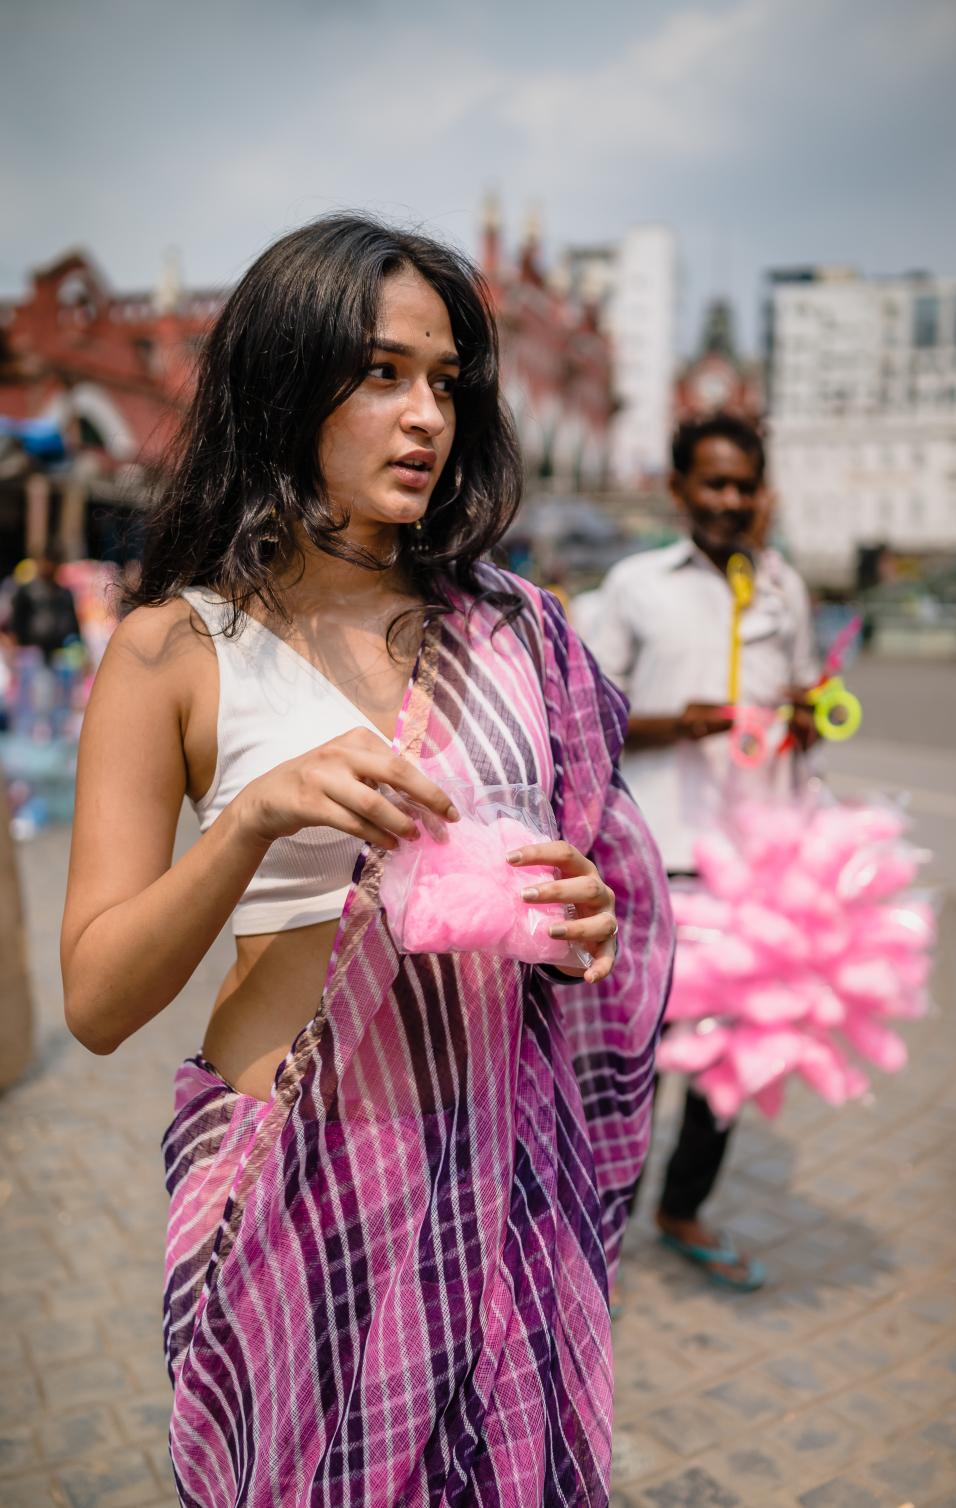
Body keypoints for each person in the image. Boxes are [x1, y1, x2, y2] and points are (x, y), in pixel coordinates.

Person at [61, 215, 672, 1507]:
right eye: (383, 372)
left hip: (501, 1174)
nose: (426, 418)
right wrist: (253, 819)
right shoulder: (175, 649)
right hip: (293, 1190)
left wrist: (590, 918)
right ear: (286, 384)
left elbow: (605, 888)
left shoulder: (519, 631)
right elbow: (100, 1001)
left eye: (446, 382)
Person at [588, 413, 818, 1292]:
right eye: (713, 483)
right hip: (653, 868)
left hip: (755, 876)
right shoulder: (636, 584)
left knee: (726, 1068)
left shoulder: (786, 589)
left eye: (743, 485)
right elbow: (588, 717)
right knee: (631, 1066)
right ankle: (599, 1237)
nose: (729, 500)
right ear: (679, 488)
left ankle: (683, 1211)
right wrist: (669, 723)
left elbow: (801, 707)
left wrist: (804, 723)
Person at [11, 544, 82, 663]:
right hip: (32, 652)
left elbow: (73, 625)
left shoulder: (64, 594)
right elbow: (16, 623)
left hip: (60, 653)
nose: (48, 567)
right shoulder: (27, 591)